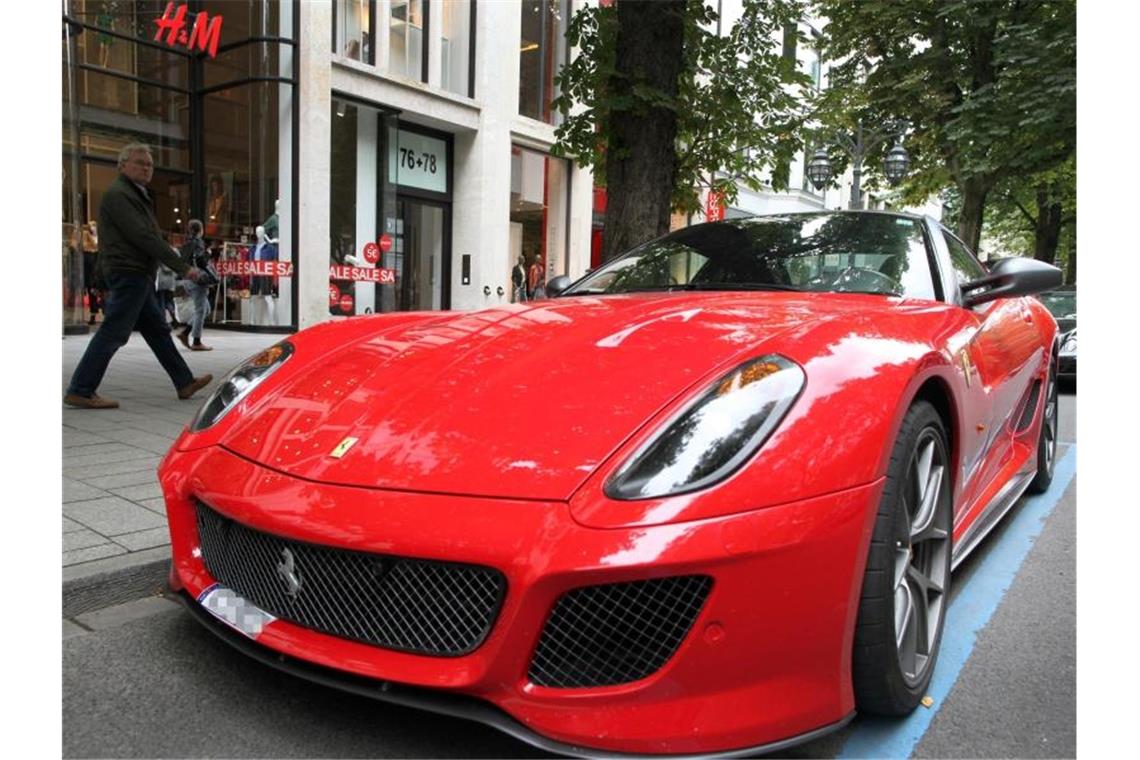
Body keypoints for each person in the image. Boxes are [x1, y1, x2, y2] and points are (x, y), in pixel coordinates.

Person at [64, 142, 212, 409]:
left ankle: (184, 381)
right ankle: (81, 388)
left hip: (136, 273)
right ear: (122, 165)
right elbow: (144, 237)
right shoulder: (121, 194)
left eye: (149, 164)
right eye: (140, 162)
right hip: (127, 272)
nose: (146, 168)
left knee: (157, 330)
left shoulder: (135, 193)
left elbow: (148, 236)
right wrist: (184, 268)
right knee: (114, 332)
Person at [177, 219, 214, 351]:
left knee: (206, 310)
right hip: (197, 279)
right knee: (200, 311)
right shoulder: (198, 243)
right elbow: (200, 261)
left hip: (187, 279)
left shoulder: (186, 243)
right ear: (201, 230)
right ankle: (196, 341)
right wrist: (210, 272)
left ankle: (185, 333)